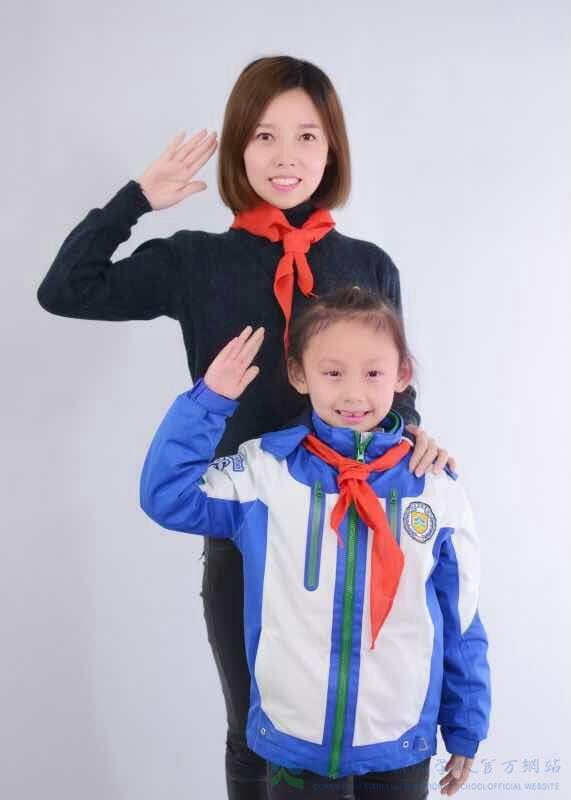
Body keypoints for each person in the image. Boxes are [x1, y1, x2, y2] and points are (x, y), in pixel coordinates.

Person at [36, 55, 457, 799]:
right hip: (248, 534)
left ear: (331, 150)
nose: (285, 156)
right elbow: (65, 290)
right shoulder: (196, 261)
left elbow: (394, 389)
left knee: (371, 732)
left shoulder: (368, 264)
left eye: (306, 136)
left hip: (362, 535)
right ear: (238, 148)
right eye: (264, 136)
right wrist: (136, 199)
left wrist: (414, 435)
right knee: (254, 731)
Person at [139, 286, 491, 800]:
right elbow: (167, 496)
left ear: (402, 375)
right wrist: (208, 402)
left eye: (373, 373)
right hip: (293, 739)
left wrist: (466, 725)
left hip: (400, 738)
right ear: (299, 375)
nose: (353, 394)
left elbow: (461, 617)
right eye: (332, 373)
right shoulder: (265, 472)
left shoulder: (435, 486)